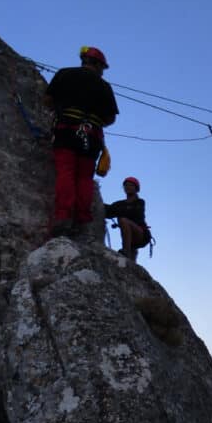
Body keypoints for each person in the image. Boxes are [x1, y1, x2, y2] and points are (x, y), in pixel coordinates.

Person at [44, 46, 119, 237]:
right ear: (98, 65)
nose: (102, 72)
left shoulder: (64, 74)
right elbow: (110, 118)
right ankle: (82, 220)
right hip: (91, 136)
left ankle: (63, 217)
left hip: (66, 131)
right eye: (102, 68)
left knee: (66, 172)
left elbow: (48, 100)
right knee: (84, 177)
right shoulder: (104, 87)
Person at [104, 177, 150, 262]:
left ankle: (126, 251)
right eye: (125, 185)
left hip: (141, 235)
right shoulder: (119, 204)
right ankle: (130, 257)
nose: (127, 187)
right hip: (132, 239)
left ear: (136, 188)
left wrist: (118, 211)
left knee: (123, 221)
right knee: (131, 260)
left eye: (131, 185)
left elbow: (135, 213)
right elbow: (108, 211)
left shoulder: (140, 202)